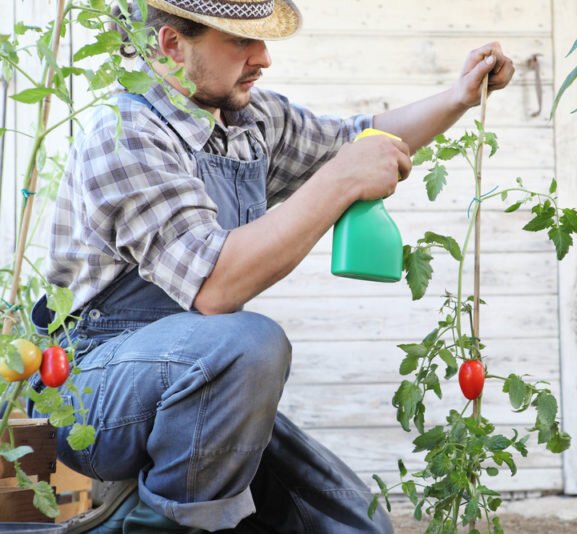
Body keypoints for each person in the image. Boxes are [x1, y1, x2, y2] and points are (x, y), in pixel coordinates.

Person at [31, 0, 515, 532]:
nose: (263, 57)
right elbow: (215, 288)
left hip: (196, 380)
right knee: (247, 342)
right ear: (172, 45)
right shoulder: (123, 132)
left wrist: (459, 98)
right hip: (90, 393)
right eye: (240, 41)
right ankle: (140, 525)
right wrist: (339, 182)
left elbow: (362, 136)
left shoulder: (249, 120)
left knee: (354, 523)